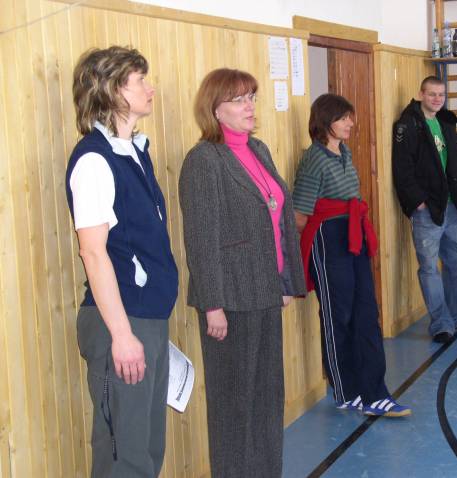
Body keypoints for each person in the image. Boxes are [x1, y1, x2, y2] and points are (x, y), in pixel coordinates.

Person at [178, 68, 306, 478]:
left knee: (267, 398)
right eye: (238, 99)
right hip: (231, 300)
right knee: (234, 406)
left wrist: (284, 282)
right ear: (215, 110)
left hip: (265, 292)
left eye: (251, 97)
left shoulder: (259, 149)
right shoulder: (204, 161)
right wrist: (212, 304)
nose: (249, 106)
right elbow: (202, 239)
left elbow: (278, 217)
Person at [65, 46, 178, 477]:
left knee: (147, 447)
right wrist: (122, 334)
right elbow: (94, 253)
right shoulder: (95, 159)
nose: (151, 88)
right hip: (121, 320)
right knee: (124, 456)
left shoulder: (134, 151)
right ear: (113, 91)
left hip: (146, 318)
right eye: (140, 81)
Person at [293, 93, 411, 418]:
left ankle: (375, 392)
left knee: (366, 313)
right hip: (328, 239)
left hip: (352, 236)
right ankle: (346, 390)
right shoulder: (314, 159)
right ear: (326, 121)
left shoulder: (344, 153)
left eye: (350, 117)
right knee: (338, 316)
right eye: (344, 118)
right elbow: (299, 215)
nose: (351, 123)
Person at [392, 76, 457, 344]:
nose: (437, 99)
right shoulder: (408, 125)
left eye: (441, 94)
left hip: (452, 206)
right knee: (429, 266)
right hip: (427, 208)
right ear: (421, 94)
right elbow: (402, 167)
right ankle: (441, 324)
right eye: (432, 94)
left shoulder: (446, 124)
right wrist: (417, 201)